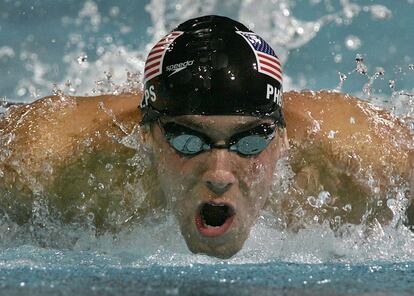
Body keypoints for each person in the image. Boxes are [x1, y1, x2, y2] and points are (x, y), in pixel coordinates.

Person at [0, 15, 412, 258]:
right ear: (146, 136)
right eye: (188, 141)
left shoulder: (364, 161)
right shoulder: (44, 162)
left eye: (250, 141)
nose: (219, 173)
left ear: (282, 138)